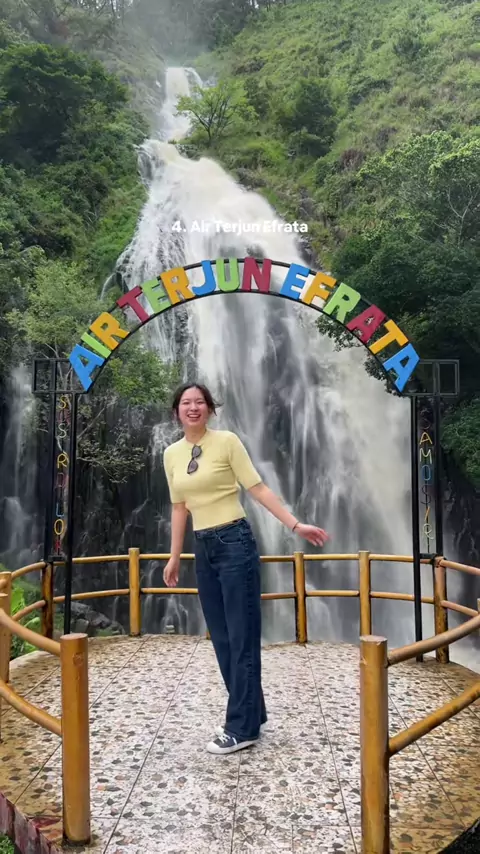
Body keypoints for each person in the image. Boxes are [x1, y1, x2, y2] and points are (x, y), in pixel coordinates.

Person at [162, 383, 329, 756]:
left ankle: (241, 727)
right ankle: (253, 711)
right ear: (177, 411)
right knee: (222, 637)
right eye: (186, 402)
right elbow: (179, 507)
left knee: (241, 635)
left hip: (234, 542)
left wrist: (295, 524)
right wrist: (174, 557)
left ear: (210, 409)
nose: (193, 407)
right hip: (203, 547)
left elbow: (258, 489)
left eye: (200, 402)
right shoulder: (171, 454)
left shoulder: (227, 442)